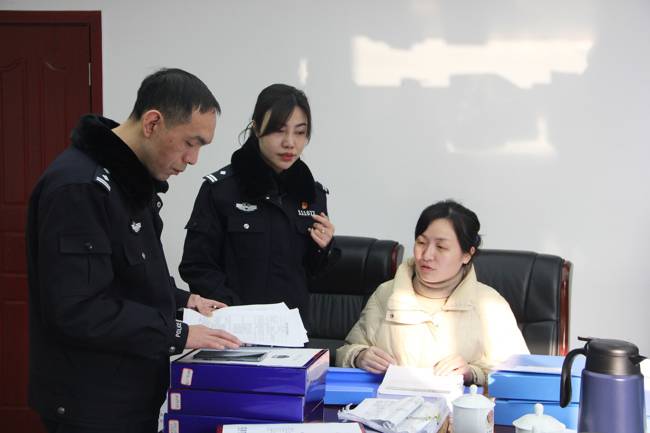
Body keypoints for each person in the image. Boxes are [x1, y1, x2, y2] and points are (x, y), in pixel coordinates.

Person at [26, 68, 242, 433]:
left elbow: (132, 277)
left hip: (130, 393)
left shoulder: (131, 182)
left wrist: (185, 301)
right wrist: (177, 333)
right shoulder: (80, 187)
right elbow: (79, 309)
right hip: (91, 404)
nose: (193, 159)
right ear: (153, 123)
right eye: (190, 143)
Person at [179, 84, 336, 323]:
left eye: (300, 132)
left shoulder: (312, 195)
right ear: (256, 128)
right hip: (232, 328)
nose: (290, 143)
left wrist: (324, 249)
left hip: (291, 331)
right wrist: (236, 313)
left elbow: (312, 276)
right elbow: (197, 266)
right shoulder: (221, 191)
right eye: (279, 131)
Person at [336, 200, 529, 385]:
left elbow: (519, 374)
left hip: (458, 407)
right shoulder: (386, 293)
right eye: (421, 242)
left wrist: (472, 373)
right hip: (389, 404)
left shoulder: (490, 305)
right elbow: (345, 351)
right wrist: (359, 356)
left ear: (467, 254)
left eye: (441, 247)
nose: (426, 255)